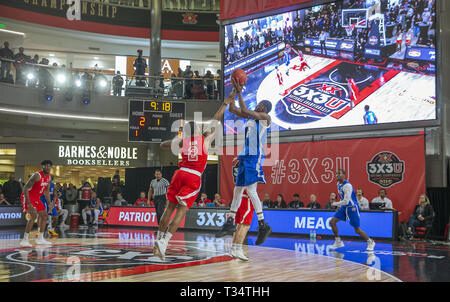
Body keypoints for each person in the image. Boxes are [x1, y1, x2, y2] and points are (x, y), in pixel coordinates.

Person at [152, 86, 233, 260]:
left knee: (168, 210)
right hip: (193, 176)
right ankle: (165, 241)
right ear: (197, 130)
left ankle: (158, 240)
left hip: (179, 174)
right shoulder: (204, 138)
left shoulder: (183, 141)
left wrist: (172, 142)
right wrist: (225, 103)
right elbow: (216, 120)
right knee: (182, 211)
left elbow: (163, 145)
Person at [216, 77, 272, 245]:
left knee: (250, 189)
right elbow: (233, 109)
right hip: (245, 156)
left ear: (266, 109)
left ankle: (263, 224)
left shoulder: (264, 118)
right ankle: (230, 221)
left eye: (262, 104)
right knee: (238, 190)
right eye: (259, 103)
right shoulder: (250, 119)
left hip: (255, 157)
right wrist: (233, 91)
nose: (259, 104)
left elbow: (246, 110)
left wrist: (240, 91)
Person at [329, 169, 375, 251]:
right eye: (336, 174)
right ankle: (338, 242)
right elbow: (343, 198)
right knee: (332, 222)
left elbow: (346, 201)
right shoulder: (338, 184)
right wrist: (339, 205)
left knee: (357, 230)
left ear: (344, 175)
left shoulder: (347, 186)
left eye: (339, 173)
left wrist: (335, 204)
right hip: (344, 207)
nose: (337, 175)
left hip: (352, 207)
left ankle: (370, 242)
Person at [19, 160, 53, 247]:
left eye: (49, 166)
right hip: (28, 196)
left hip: (36, 198)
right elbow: (25, 188)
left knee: (44, 215)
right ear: (42, 166)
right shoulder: (36, 175)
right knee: (33, 216)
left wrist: (49, 203)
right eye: (46, 166)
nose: (47, 168)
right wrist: (29, 203)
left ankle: (40, 238)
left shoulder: (49, 177)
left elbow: (46, 191)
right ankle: (25, 240)